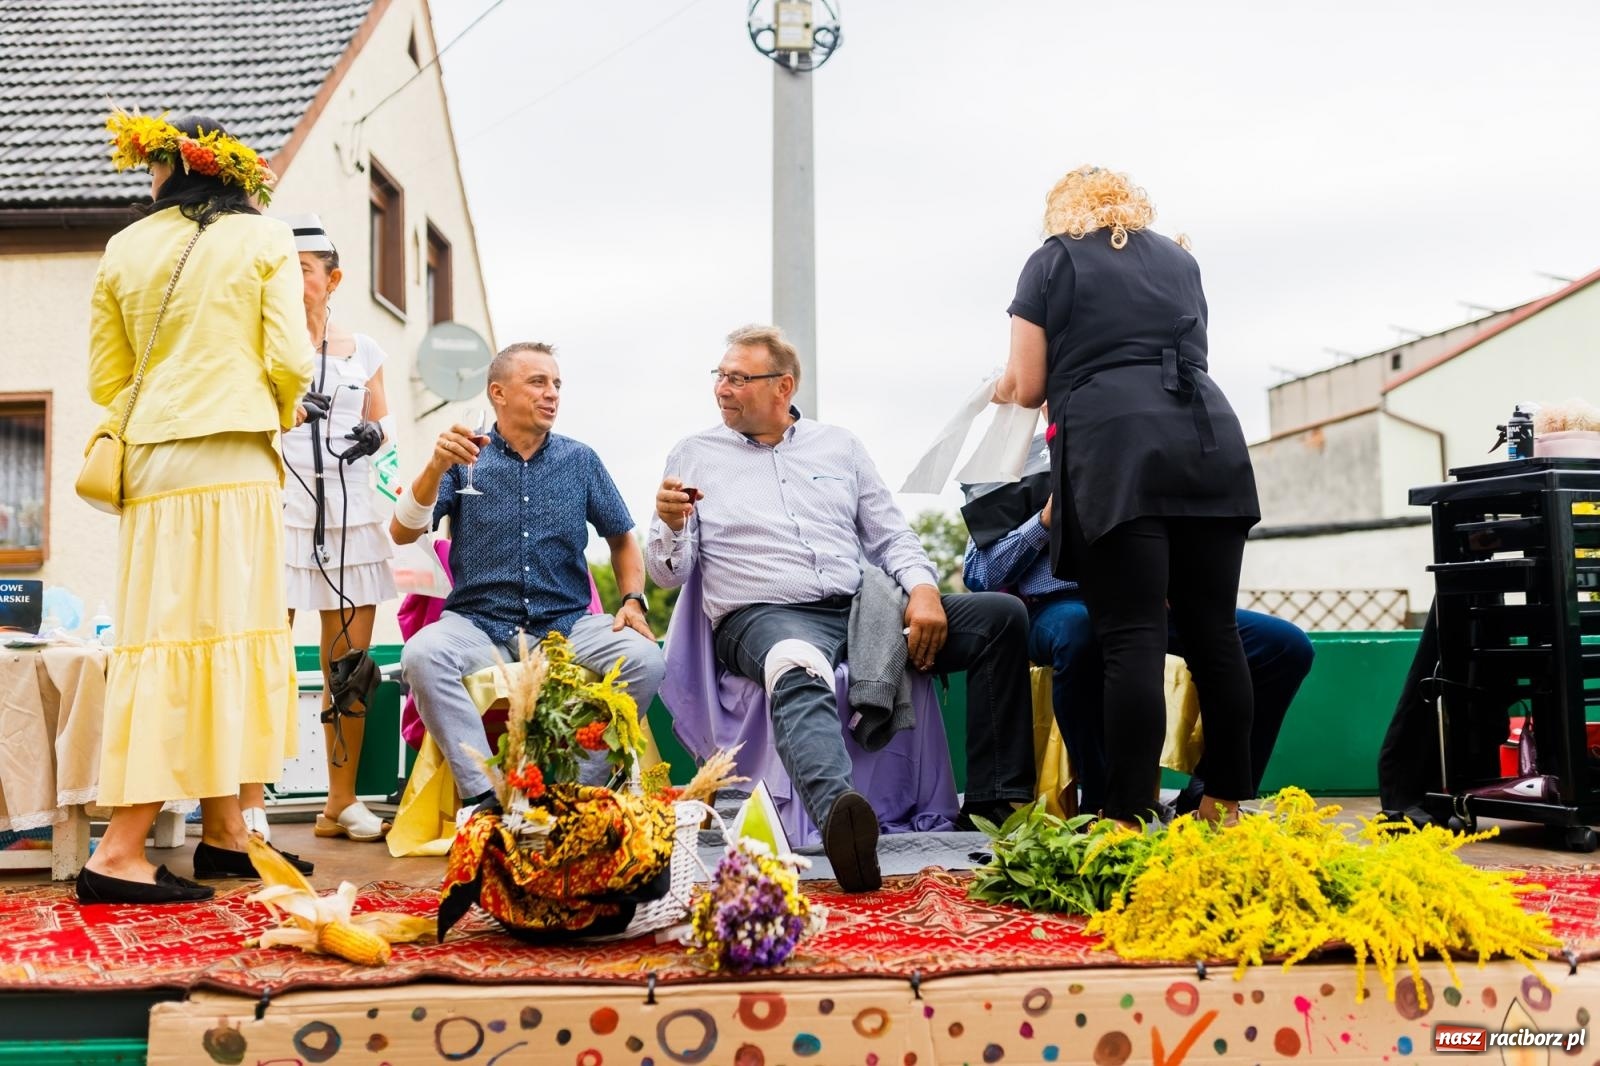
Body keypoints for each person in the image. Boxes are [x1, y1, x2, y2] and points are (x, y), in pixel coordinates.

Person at [647, 325, 1035, 893]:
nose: (723, 389)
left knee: (1000, 618)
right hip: (758, 617)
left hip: (859, 610)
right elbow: (667, 573)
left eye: (737, 378)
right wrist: (672, 524)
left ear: (784, 386)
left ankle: (996, 808)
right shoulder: (694, 454)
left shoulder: (840, 446)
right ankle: (840, 821)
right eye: (720, 376)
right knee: (796, 662)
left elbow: (889, 535)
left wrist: (923, 589)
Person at [79, 111, 314, 904]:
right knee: (229, 635)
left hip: (152, 465)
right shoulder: (265, 238)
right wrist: (277, 408)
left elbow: (106, 381)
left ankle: (224, 834)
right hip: (232, 455)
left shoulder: (124, 247)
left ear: (169, 170)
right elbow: (289, 357)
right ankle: (117, 854)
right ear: (234, 173)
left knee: (170, 638)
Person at [992, 165, 1261, 828]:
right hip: (1208, 442)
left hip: (1117, 450)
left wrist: (998, 390)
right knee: (1215, 632)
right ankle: (1224, 802)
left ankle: (1127, 817)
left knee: (1131, 638)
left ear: (1062, 212)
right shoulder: (1180, 260)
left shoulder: (1050, 261)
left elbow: (1029, 385)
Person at [391, 342, 664, 815]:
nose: (552, 393)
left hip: (569, 625)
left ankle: (577, 794)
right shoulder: (462, 459)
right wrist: (436, 466)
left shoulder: (581, 460)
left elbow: (623, 538)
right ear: (497, 392)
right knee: (422, 654)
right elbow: (402, 531)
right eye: (538, 382)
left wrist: (633, 600)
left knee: (645, 659)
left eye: (556, 383)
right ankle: (485, 797)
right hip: (477, 624)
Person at [962, 474, 1313, 816]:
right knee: (1081, 633)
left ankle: (1208, 794)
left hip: (1145, 598)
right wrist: (1044, 521)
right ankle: (1106, 802)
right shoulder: (1006, 467)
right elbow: (981, 574)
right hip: (1058, 606)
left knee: (1284, 646)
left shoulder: (1136, 447)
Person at [237, 216, 395, 845]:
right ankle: (251, 802)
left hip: (351, 515)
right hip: (279, 511)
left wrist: (374, 435)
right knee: (261, 659)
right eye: (283, 268)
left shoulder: (368, 350)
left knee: (351, 665)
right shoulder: (258, 342)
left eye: (302, 268)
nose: (292, 279)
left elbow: (386, 430)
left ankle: (341, 802)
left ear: (333, 278)